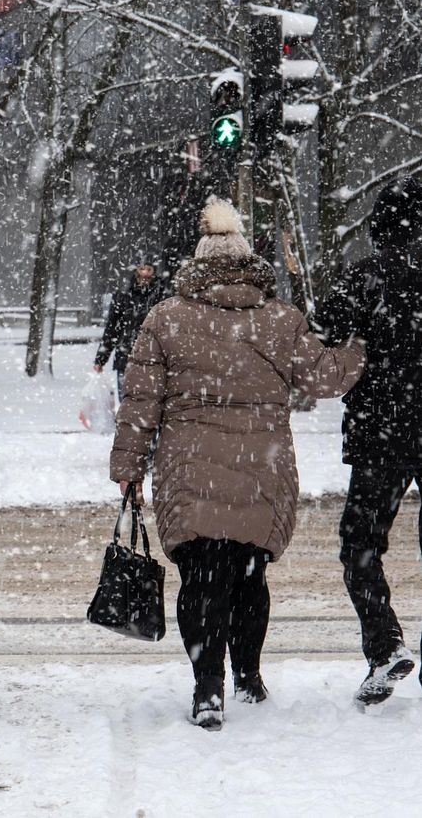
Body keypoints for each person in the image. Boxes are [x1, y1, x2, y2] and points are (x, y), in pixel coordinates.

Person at [109, 198, 365, 730]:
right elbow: (326, 379)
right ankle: (248, 674)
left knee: (201, 578)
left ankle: (208, 688)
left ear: (197, 266)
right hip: (262, 467)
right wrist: (362, 343)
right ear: (250, 264)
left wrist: (129, 469)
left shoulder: (166, 318)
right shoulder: (279, 320)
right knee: (250, 576)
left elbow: (140, 403)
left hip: (188, 467)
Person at [316, 176, 422, 707]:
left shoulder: (367, 278)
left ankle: (384, 645)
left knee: (361, 544)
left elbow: (324, 329)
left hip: (383, 428)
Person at [94, 262, 165, 400]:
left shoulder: (163, 297)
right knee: (126, 400)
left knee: (152, 403)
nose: (144, 273)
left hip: (154, 358)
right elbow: (112, 329)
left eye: (148, 270)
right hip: (126, 357)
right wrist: (100, 359)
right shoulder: (122, 297)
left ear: (154, 272)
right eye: (141, 269)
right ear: (135, 271)